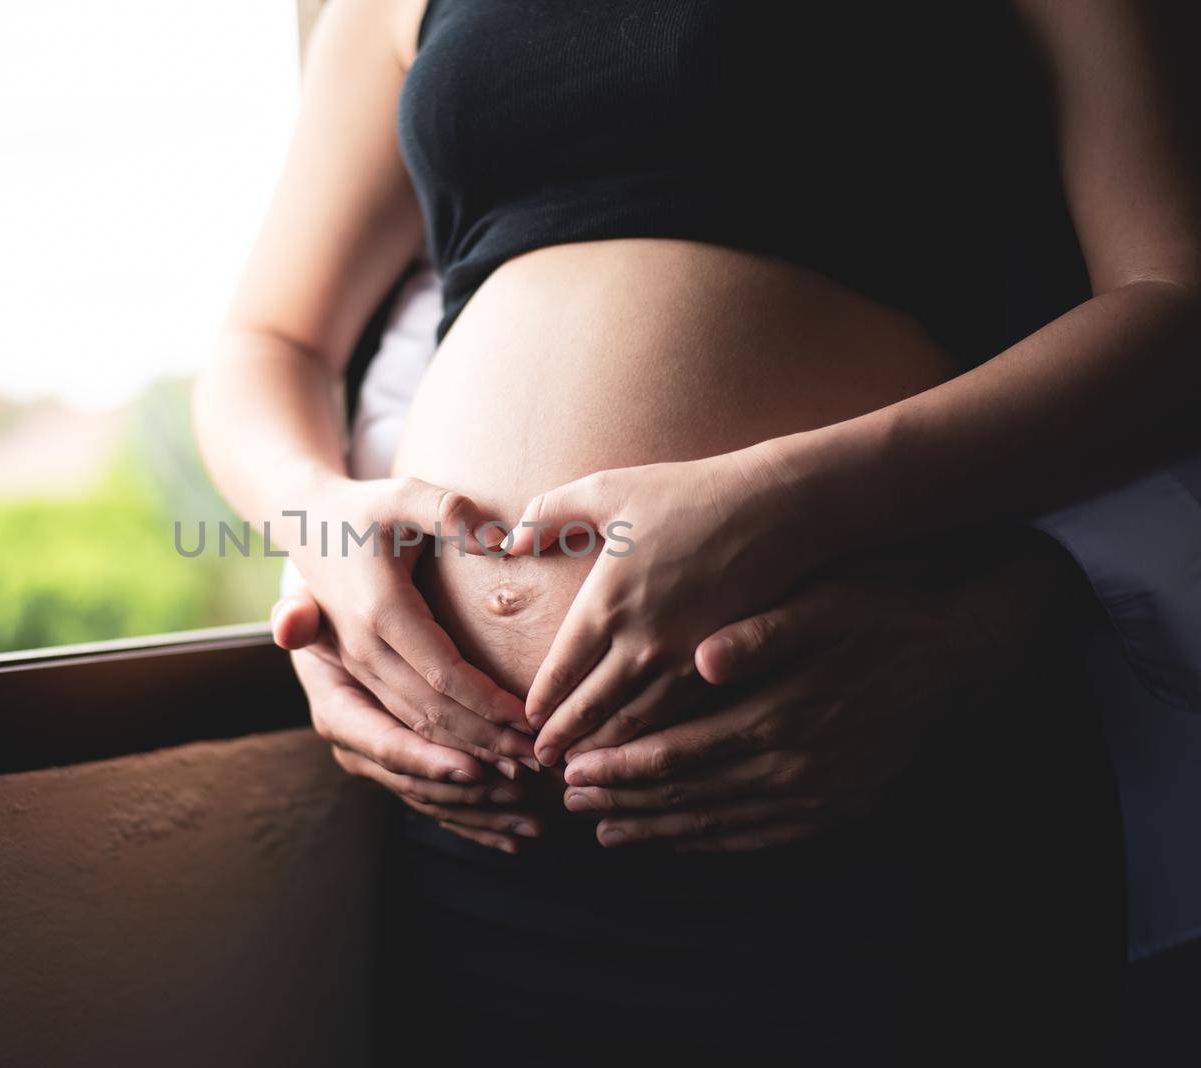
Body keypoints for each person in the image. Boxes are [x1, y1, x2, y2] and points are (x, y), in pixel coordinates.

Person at [192, 0, 1200, 1060]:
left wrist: (793, 497)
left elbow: (1172, 305)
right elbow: (273, 338)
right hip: (480, 836)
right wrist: (320, 526)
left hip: (859, 767)